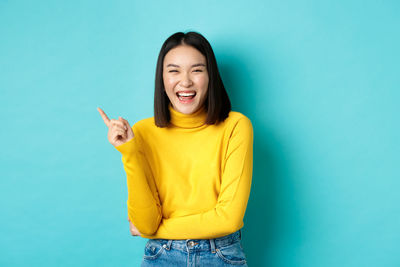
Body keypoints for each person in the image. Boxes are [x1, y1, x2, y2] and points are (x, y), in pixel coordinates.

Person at [97, 31, 253, 266]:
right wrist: (128, 151)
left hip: (220, 255)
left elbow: (228, 219)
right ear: (162, 78)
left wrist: (157, 230)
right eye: (174, 70)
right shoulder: (142, 132)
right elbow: (146, 222)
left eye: (197, 70)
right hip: (162, 256)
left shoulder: (235, 126)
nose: (186, 81)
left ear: (210, 76)